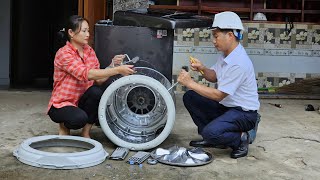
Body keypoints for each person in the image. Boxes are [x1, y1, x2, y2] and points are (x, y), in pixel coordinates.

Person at [177, 11, 260, 159]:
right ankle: (213, 138)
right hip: (228, 107)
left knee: (211, 132)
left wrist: (190, 83)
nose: (213, 41)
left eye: (216, 36)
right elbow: (214, 77)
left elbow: (219, 95)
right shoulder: (226, 55)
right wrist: (202, 69)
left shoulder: (238, 62)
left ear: (230, 35)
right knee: (190, 97)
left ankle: (241, 138)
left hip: (244, 114)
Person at [47, 15, 135, 138]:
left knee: (97, 92)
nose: (87, 34)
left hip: (81, 100)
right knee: (78, 119)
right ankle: (64, 125)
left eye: (88, 30)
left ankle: (86, 132)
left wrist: (112, 65)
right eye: (84, 31)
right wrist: (117, 70)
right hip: (62, 104)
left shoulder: (89, 51)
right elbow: (86, 74)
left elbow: (98, 80)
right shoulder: (64, 53)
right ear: (71, 33)